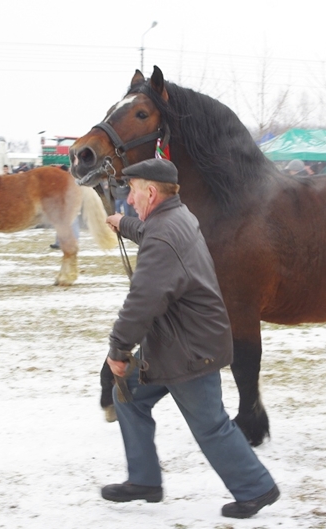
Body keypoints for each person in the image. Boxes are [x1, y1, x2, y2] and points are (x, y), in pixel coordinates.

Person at [101, 158, 279, 519]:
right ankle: (144, 480)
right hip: (180, 344)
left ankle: (257, 488)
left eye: (133, 193)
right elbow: (153, 233)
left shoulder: (165, 233)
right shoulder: (177, 216)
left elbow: (143, 300)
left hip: (188, 351)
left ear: (151, 192)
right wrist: (125, 225)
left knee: (210, 425)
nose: (129, 200)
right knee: (130, 397)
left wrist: (119, 348)